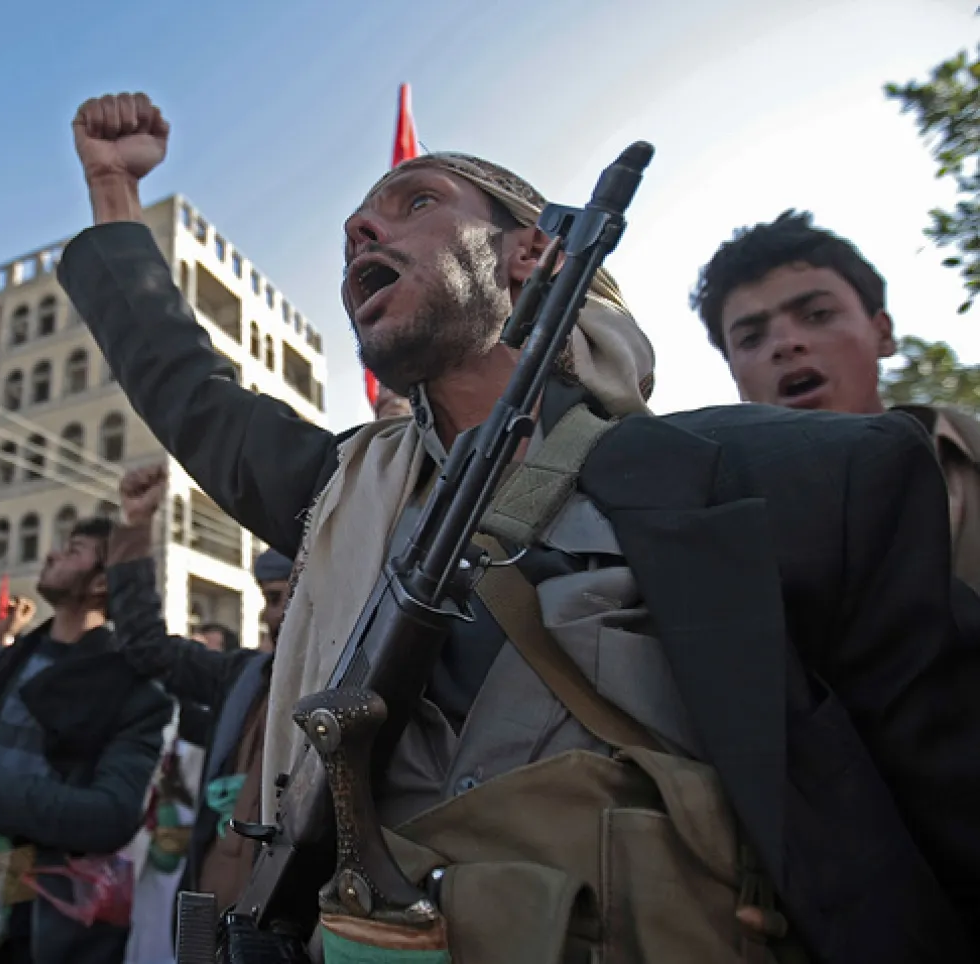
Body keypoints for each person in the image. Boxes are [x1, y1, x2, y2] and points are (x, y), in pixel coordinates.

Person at [59, 92, 980, 961]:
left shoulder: (777, 482)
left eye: (416, 201)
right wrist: (114, 188)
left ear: (533, 253)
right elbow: (189, 388)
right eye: (354, 230)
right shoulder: (343, 493)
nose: (359, 232)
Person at [0, 516, 172, 964]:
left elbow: (113, 815)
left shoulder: (133, 690)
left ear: (102, 582)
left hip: (49, 932)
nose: (51, 554)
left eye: (74, 549)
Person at [691, 209, 980, 592]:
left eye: (817, 315)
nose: (784, 344)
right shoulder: (718, 534)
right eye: (751, 339)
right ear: (736, 377)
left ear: (883, 333)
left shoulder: (968, 457)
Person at [108, 464, 291, 914]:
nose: (281, 614)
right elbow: (147, 648)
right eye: (272, 599)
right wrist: (135, 527)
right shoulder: (245, 678)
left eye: (297, 594)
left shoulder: (359, 688)